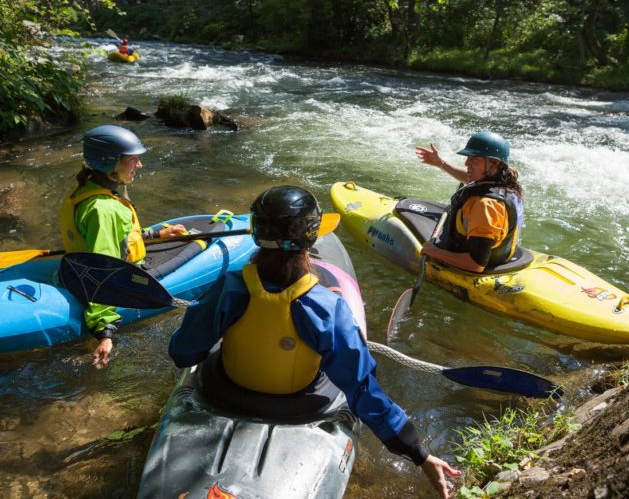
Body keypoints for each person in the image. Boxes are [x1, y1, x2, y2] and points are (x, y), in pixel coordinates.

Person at [168, 185, 461, 498]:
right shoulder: (328, 307)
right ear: (311, 237)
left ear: (256, 232)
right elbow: (363, 391)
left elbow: (183, 353)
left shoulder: (228, 287)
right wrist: (419, 454)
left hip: (227, 390)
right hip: (300, 402)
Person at [60, 125, 186, 368]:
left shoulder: (87, 190)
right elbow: (101, 270)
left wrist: (157, 233)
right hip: (117, 275)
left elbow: (120, 236)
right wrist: (105, 332)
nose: (140, 165)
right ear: (111, 164)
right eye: (133, 159)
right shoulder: (103, 209)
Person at [416, 130, 524, 273]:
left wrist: (434, 252)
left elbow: (476, 264)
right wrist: (440, 163)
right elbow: (469, 178)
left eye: (475, 160)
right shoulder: (506, 182)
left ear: (494, 164)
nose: (467, 163)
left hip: (476, 263)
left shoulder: (485, 206)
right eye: (468, 157)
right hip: (500, 255)